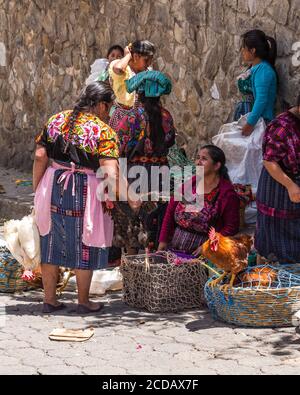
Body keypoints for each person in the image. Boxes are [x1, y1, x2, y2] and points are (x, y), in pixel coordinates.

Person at [33, 82, 124, 314]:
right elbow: (110, 172)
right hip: (86, 190)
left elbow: (40, 155)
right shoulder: (103, 131)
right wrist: (126, 197)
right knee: (85, 240)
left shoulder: (55, 120)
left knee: (50, 240)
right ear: (102, 105)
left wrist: (38, 189)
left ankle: (49, 300)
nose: (109, 113)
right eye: (109, 107)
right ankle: (83, 302)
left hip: (53, 183)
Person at [113, 70, 176, 253]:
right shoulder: (167, 116)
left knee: (133, 225)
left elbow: (119, 146)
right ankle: (154, 267)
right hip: (161, 173)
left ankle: (131, 269)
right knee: (155, 222)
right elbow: (170, 141)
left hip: (134, 174)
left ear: (139, 93)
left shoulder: (131, 118)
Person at [158, 145, 240, 255]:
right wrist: (162, 241)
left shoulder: (227, 194)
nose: (198, 162)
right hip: (174, 249)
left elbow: (231, 227)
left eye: (204, 159)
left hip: (204, 255)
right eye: (197, 158)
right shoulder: (188, 184)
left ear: (216, 166)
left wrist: (207, 246)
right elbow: (169, 213)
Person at [255, 94, 300, 263]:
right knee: (277, 245)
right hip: (279, 187)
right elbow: (269, 160)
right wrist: (290, 185)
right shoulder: (282, 127)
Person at [108, 40, 155, 131]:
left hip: (139, 119)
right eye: (146, 60)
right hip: (121, 119)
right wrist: (128, 55)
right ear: (136, 57)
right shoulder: (121, 66)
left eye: (150, 60)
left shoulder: (145, 72)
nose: (149, 64)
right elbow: (118, 69)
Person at [240, 29, 277, 136]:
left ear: (253, 50)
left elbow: (261, 100)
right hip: (257, 119)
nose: (243, 51)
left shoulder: (264, 71)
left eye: (245, 48)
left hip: (262, 121)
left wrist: (250, 124)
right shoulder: (256, 68)